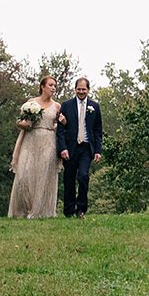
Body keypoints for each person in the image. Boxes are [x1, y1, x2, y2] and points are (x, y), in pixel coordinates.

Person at [7, 72, 63, 219]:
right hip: (30, 140)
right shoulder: (31, 103)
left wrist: (62, 122)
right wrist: (24, 124)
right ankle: (22, 210)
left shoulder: (57, 106)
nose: (53, 88)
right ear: (42, 87)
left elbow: (62, 127)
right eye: (50, 85)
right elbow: (19, 122)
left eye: (55, 86)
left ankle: (41, 211)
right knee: (24, 175)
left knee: (44, 176)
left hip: (49, 141)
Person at [58, 76, 106, 217]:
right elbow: (60, 130)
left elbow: (98, 130)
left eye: (83, 89)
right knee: (69, 179)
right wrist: (63, 148)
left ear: (88, 90)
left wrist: (98, 150)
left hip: (86, 148)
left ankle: (81, 209)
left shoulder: (94, 107)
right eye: (78, 89)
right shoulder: (66, 105)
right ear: (75, 89)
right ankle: (68, 211)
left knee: (83, 176)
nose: (81, 92)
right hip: (70, 148)